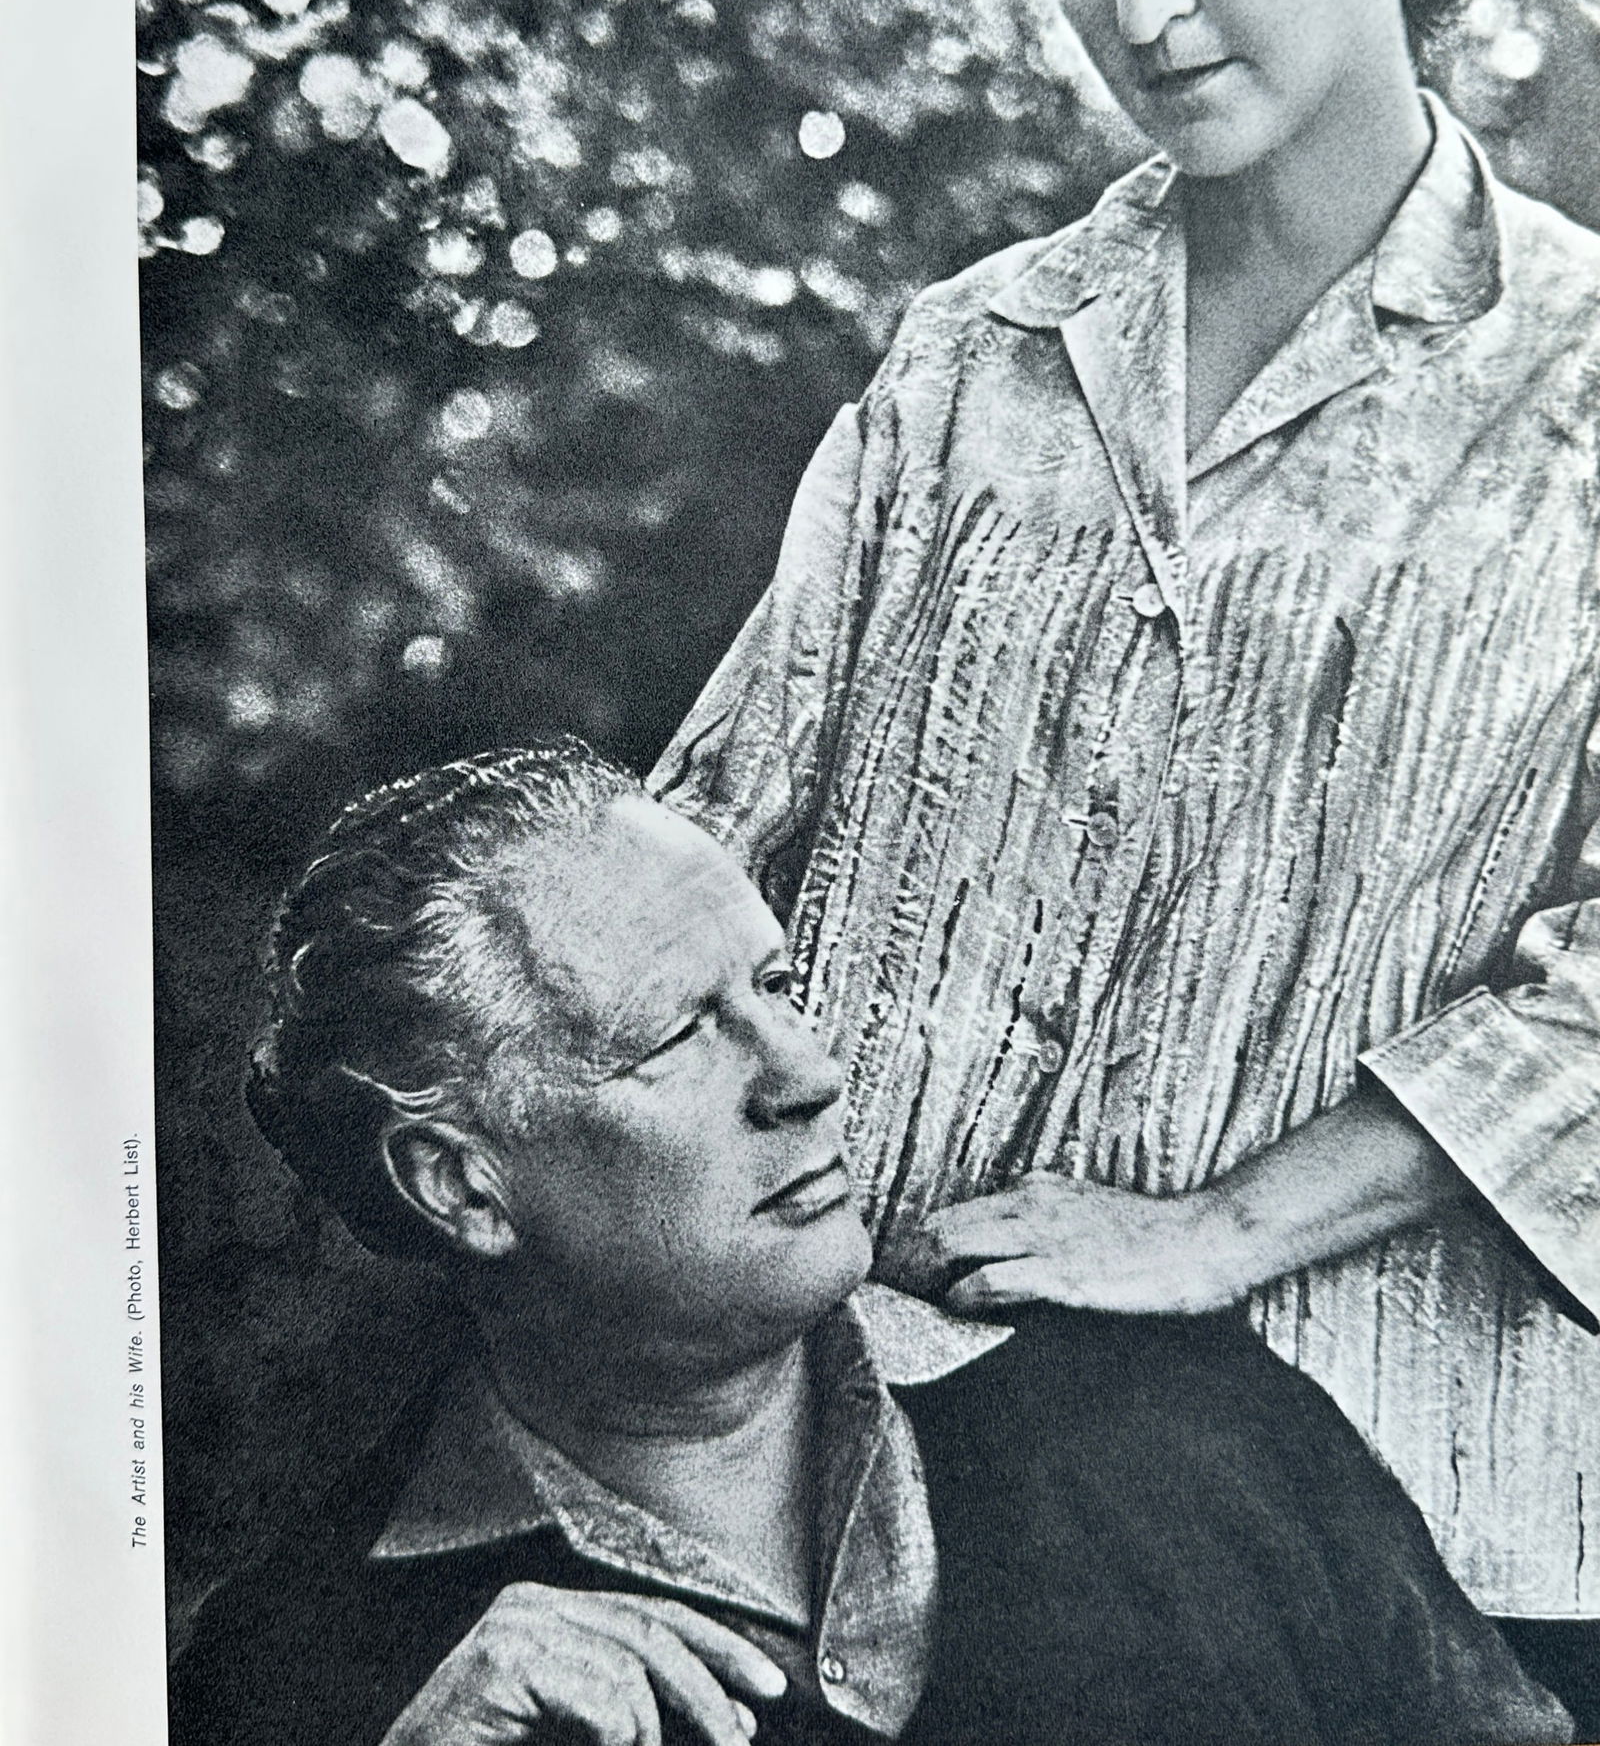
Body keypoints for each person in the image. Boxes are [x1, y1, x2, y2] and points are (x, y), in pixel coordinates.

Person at [647, 0, 1600, 1723]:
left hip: (1403, 1535)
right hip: (854, 1475)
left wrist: (1225, 1221)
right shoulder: (969, 358)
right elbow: (707, 843)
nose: (1138, 3)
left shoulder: (1577, 382)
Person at [170, 744, 1566, 1746]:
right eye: (675, 1038)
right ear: (461, 1185)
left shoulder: (1179, 1425)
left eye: (775, 986)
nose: (804, 1071)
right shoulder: (302, 1681)